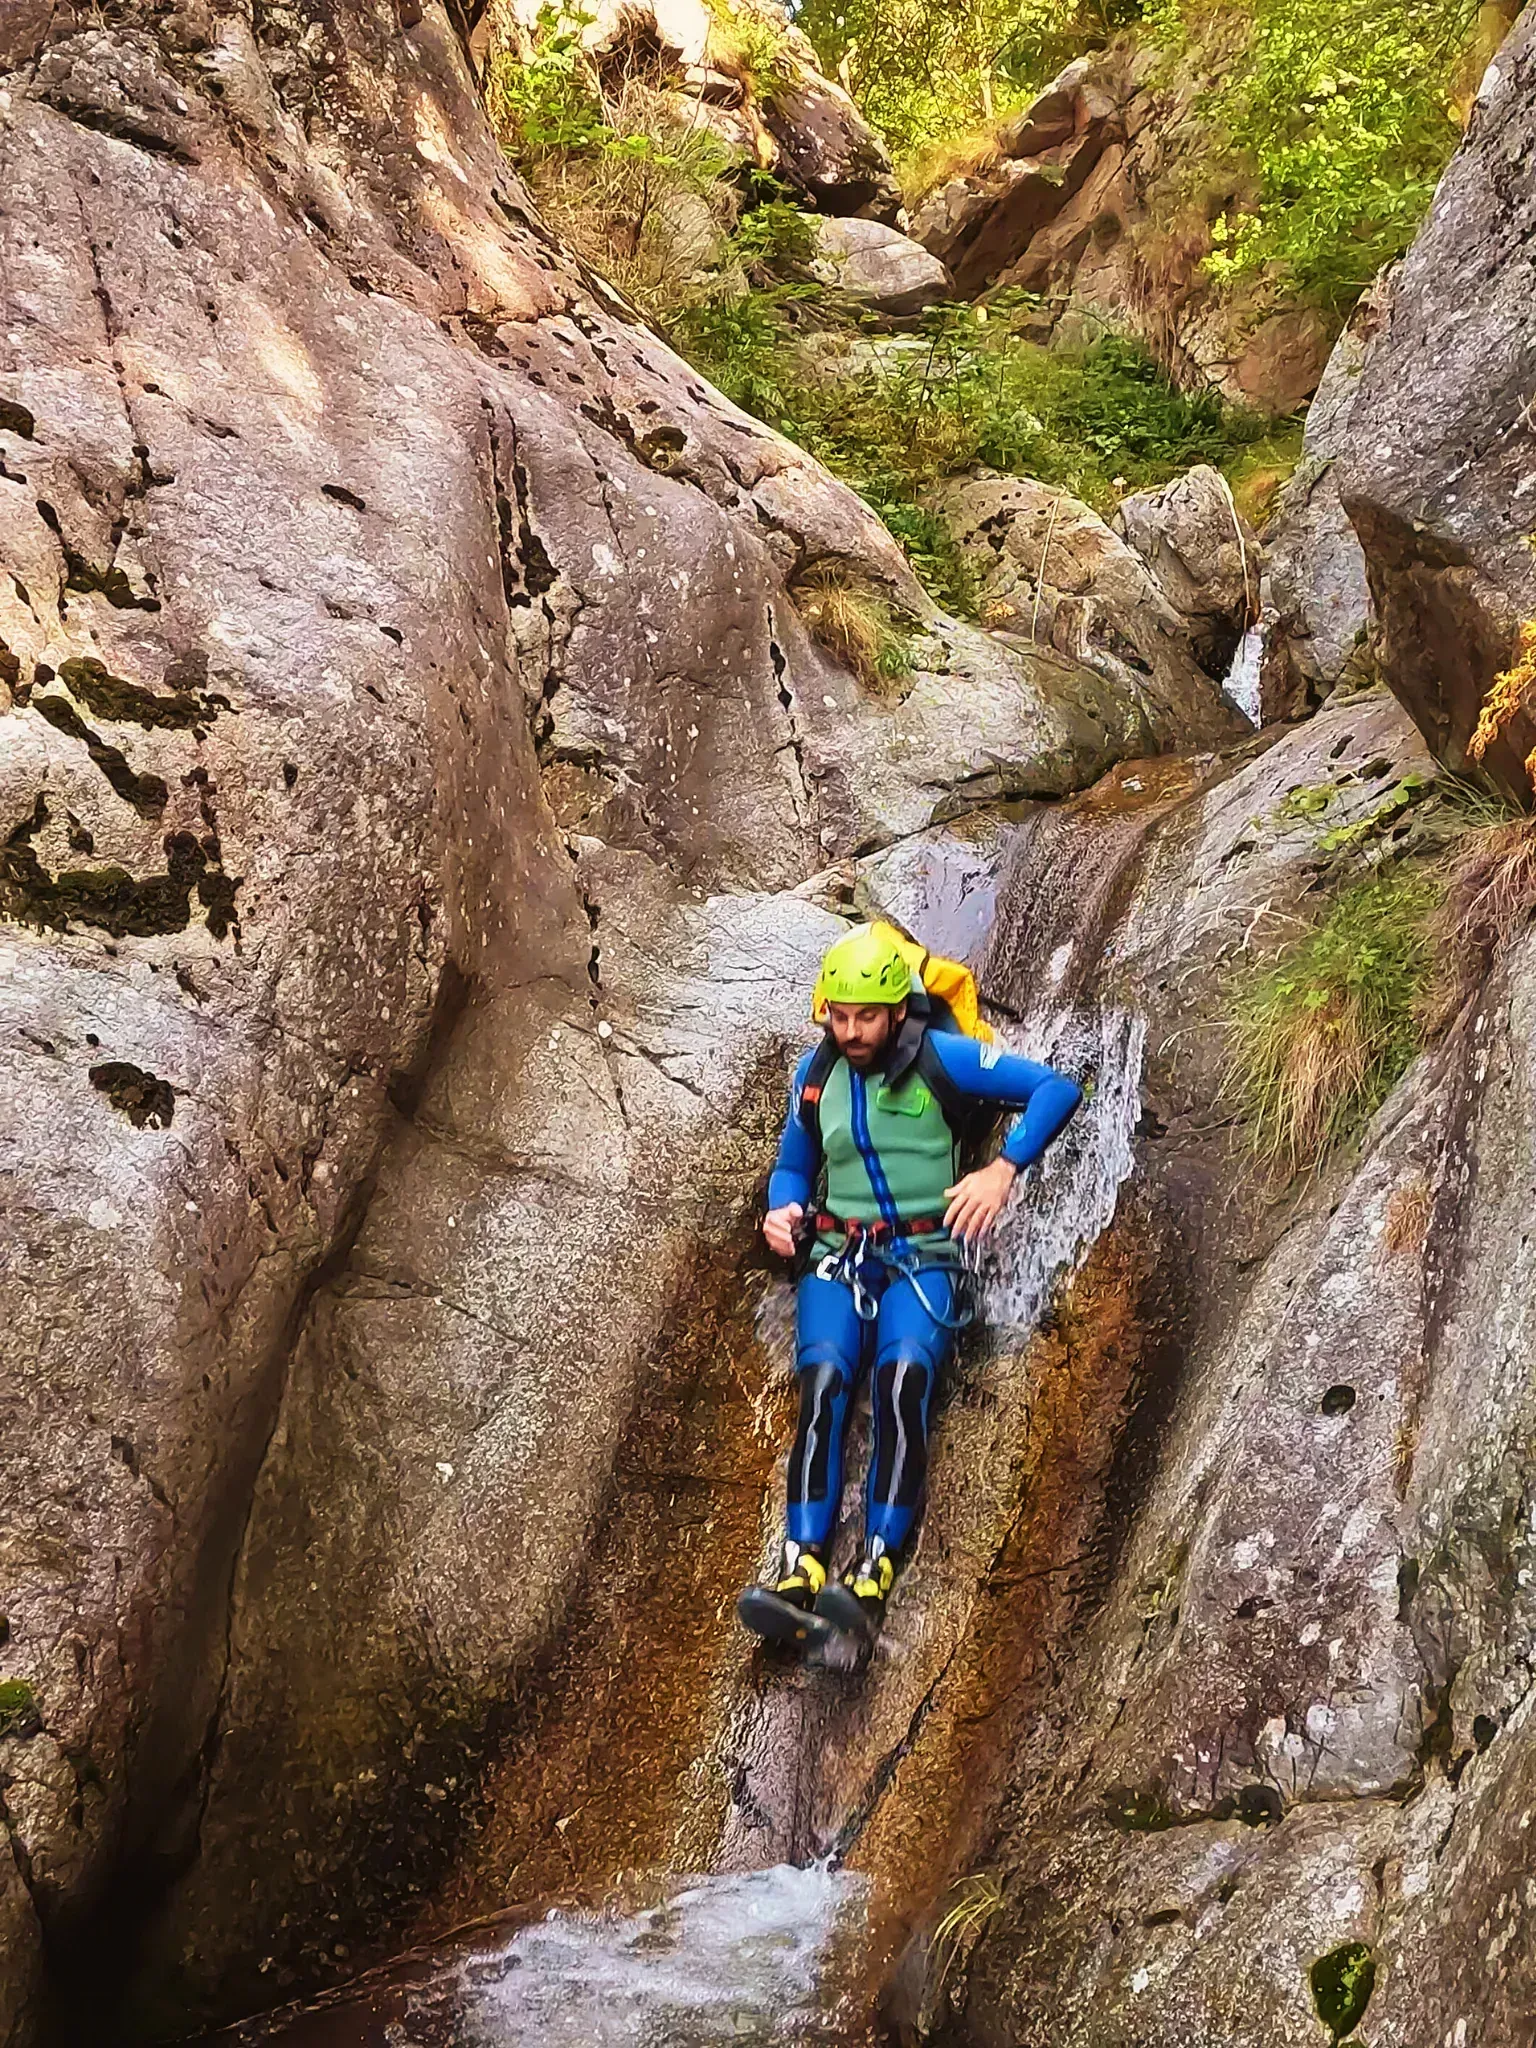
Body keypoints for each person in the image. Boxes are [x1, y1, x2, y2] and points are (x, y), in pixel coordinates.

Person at [738, 923, 1083, 1656]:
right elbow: (793, 1167)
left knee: (900, 1387)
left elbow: (1056, 1087)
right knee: (824, 1384)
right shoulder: (816, 1074)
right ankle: (800, 1567)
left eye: (867, 1016)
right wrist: (782, 1210)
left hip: (923, 1257)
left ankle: (872, 1572)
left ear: (898, 1011)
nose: (853, 1031)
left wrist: (1004, 1167)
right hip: (837, 1254)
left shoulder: (943, 1060)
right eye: (841, 1015)